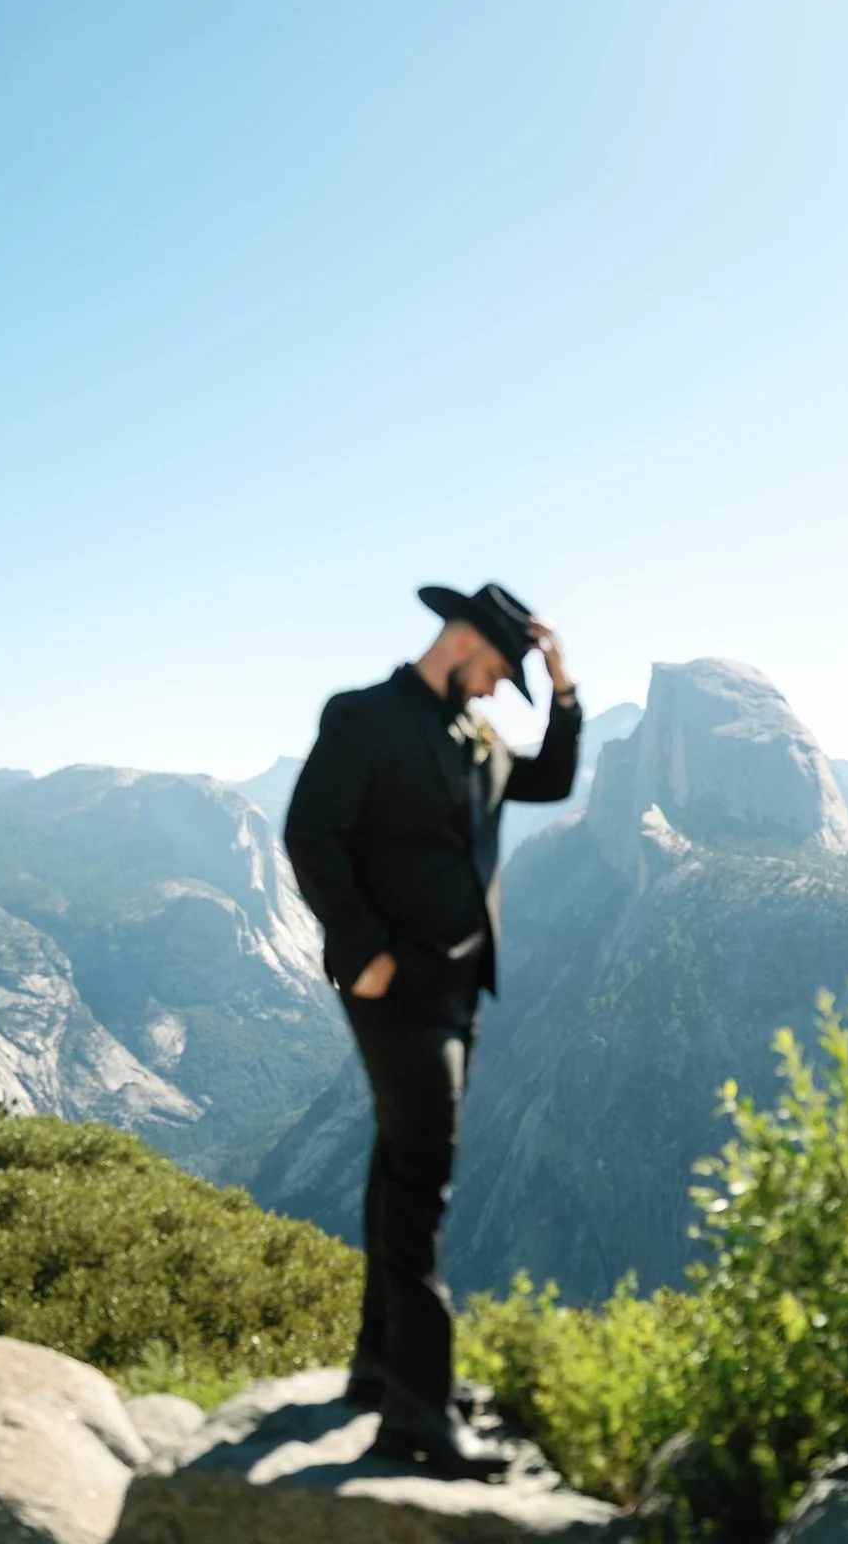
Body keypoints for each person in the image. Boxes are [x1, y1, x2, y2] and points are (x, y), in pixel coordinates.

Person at [284, 581, 582, 1478]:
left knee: (396, 1165)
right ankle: (418, 1416)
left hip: (457, 988)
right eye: (495, 671)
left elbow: (554, 778)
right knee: (424, 1183)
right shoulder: (366, 718)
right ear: (458, 643)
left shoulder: (475, 740)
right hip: (396, 988)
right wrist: (363, 950)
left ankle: (379, 1371)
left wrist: (562, 688)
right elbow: (310, 833)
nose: (496, 690)